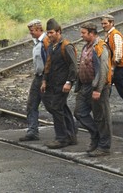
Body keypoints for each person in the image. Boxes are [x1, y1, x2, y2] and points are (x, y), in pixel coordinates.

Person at [74, 22, 112, 157]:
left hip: (97, 87)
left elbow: (103, 70)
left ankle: (104, 146)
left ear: (91, 33)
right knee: (79, 112)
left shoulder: (100, 47)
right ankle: (95, 135)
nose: (81, 35)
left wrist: (98, 89)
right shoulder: (86, 46)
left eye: (83, 33)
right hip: (85, 86)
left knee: (101, 117)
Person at [40, 18, 78, 149]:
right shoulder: (51, 46)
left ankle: (61, 138)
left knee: (56, 108)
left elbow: (73, 66)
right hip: (53, 84)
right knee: (63, 108)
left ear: (58, 32)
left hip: (62, 84)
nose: (49, 35)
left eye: (51, 32)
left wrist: (69, 82)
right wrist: (44, 80)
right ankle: (71, 135)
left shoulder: (66, 46)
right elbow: (48, 64)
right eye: (48, 33)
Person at [20, 19, 48, 142]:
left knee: (53, 106)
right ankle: (32, 131)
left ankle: (68, 130)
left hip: (45, 78)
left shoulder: (45, 42)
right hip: (38, 77)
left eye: (32, 31)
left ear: (38, 30)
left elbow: (49, 62)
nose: (30, 33)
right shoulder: (37, 42)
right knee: (31, 104)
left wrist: (46, 80)